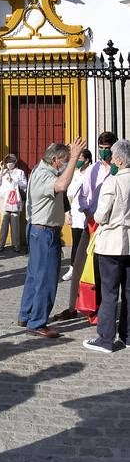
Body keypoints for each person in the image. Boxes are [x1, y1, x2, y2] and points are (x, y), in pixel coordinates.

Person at [17, 138, 86, 338]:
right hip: (44, 232)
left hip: (40, 231)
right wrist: (73, 157)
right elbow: (62, 185)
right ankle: (37, 322)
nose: (65, 164)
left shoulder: (43, 171)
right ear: (55, 160)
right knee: (45, 279)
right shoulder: (44, 175)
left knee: (34, 276)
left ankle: (27, 314)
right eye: (63, 160)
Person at [55, 131, 116, 321]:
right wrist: (89, 214)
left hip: (112, 226)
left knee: (106, 271)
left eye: (107, 148)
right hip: (90, 225)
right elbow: (82, 196)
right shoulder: (93, 170)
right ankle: (72, 307)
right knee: (79, 265)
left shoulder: (119, 169)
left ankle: (102, 309)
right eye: (101, 148)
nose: (104, 152)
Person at [83, 140, 130, 354]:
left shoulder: (113, 182)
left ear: (119, 160)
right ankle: (127, 335)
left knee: (109, 292)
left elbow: (101, 215)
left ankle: (105, 338)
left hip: (112, 242)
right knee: (128, 291)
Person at [63, 148, 93, 281]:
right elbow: (68, 192)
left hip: (88, 213)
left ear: (86, 160)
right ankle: (73, 268)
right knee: (76, 242)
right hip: (75, 211)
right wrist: (67, 212)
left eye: (80, 159)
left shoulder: (91, 172)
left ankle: (86, 270)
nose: (78, 161)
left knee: (87, 243)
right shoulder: (75, 173)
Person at [0, 154, 27, 252]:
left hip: (15, 199)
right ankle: (1, 244)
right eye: (7, 162)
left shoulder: (20, 172)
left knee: (15, 221)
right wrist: (1, 169)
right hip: (3, 198)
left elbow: (24, 184)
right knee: (4, 221)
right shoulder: (4, 172)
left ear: (15, 162)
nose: (9, 164)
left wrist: (14, 181)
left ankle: (16, 245)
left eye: (11, 162)